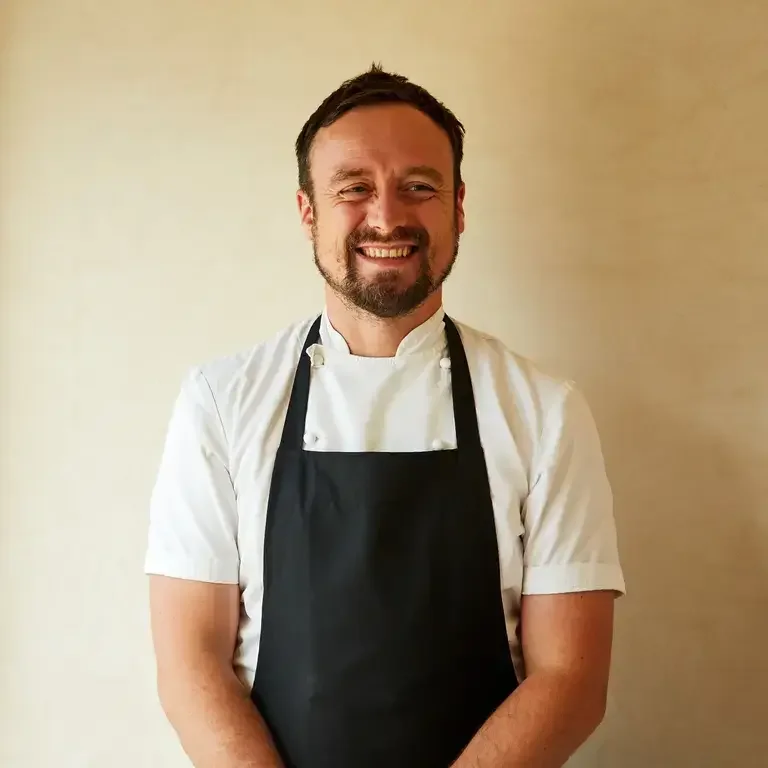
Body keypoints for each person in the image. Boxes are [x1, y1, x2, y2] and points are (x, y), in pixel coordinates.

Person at [146, 64, 625, 768]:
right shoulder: (220, 402)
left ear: (459, 208)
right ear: (308, 211)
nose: (387, 216)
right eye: (354, 189)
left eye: (419, 187)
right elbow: (191, 666)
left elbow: (571, 680)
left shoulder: (545, 412)